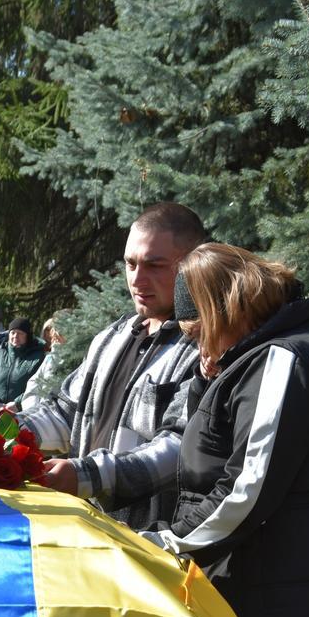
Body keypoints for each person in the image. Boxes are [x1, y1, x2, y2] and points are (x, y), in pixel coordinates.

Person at [142, 243, 309, 617]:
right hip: (307, 596)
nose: (198, 346)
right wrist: (207, 378)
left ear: (223, 312)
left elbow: (246, 489)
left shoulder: (282, 358)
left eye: (198, 333)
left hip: (286, 609)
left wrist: (167, 544)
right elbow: (213, 441)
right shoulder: (308, 342)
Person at [24, 202, 205, 530]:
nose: (138, 279)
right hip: (89, 534)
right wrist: (6, 430)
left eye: (155, 265)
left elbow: (180, 449)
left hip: (153, 547)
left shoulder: (204, 347)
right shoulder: (112, 337)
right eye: (130, 263)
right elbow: (65, 413)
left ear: (192, 264)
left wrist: (87, 476)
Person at [0, 317, 46, 410]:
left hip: (24, 414)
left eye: (20, 333)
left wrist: (17, 404)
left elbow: (40, 386)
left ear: (28, 336)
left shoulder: (39, 357)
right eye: (13, 332)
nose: (15, 336)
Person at [21, 316, 66, 410]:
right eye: (54, 333)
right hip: (38, 415)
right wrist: (32, 409)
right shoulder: (49, 357)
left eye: (59, 333)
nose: (54, 337)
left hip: (58, 418)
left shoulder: (78, 360)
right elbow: (33, 386)